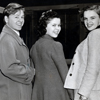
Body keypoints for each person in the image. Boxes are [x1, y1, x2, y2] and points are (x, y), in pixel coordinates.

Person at [30, 10, 72, 100]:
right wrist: (72, 95)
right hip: (56, 93)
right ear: (44, 26)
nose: (57, 28)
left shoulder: (34, 46)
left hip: (39, 93)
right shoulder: (55, 45)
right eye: (53, 25)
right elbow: (65, 74)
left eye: (59, 25)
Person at [64, 5, 100, 100]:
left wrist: (83, 93)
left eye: (92, 18)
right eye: (85, 19)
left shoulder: (95, 34)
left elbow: (93, 67)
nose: (88, 22)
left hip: (90, 91)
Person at [0, 3, 35, 100]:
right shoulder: (7, 39)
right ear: (6, 19)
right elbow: (9, 68)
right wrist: (31, 72)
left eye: (22, 17)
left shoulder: (13, 37)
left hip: (17, 91)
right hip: (13, 94)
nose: (20, 20)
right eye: (16, 17)